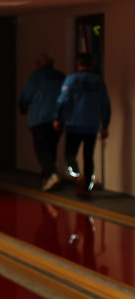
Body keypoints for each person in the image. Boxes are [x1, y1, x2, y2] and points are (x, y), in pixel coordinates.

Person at [53, 53, 111, 197]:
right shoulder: (99, 82)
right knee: (88, 156)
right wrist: (104, 126)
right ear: (92, 65)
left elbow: (62, 100)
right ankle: (86, 187)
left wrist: (58, 119)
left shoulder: (72, 79)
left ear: (78, 64)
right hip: (92, 125)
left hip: (74, 124)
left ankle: (77, 175)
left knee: (70, 154)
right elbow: (105, 105)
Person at [19, 53, 65, 191]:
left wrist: (23, 107)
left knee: (41, 148)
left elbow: (27, 93)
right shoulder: (61, 76)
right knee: (51, 148)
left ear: (40, 63)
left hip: (40, 117)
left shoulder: (38, 75)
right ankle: (46, 177)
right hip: (57, 118)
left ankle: (51, 174)